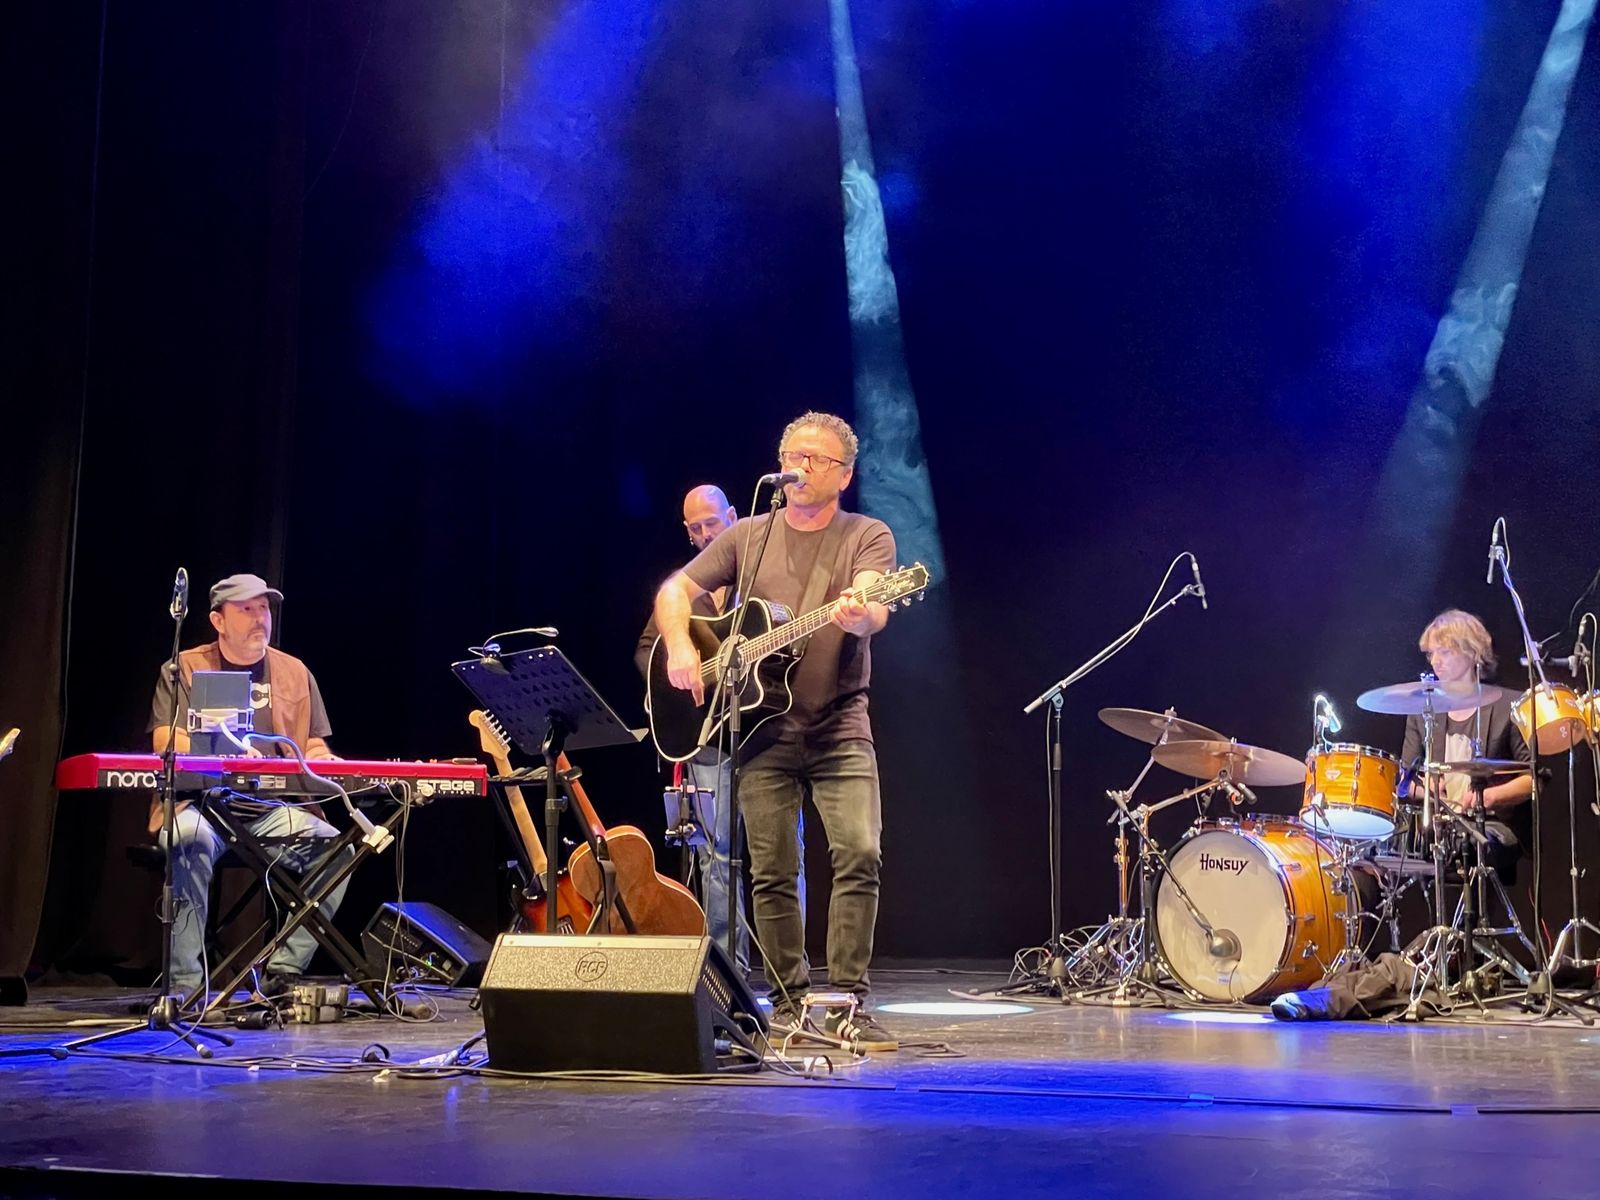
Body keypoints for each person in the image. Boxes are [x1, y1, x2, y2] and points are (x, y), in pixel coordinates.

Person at [653, 412, 899, 1049]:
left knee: (859, 852)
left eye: (815, 458)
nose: (799, 467)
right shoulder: (751, 536)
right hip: (762, 730)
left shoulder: (865, 534)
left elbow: (875, 602)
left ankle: (846, 997)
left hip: (841, 724)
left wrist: (860, 612)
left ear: (843, 473)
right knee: (771, 870)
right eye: (792, 455)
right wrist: (681, 645)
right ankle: (788, 1001)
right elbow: (675, 589)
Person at [147, 573, 349, 999]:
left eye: (264, 609)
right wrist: (226, 751)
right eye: (247, 609)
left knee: (340, 850)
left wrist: (326, 762)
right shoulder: (183, 667)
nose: (261, 618)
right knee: (188, 840)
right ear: (218, 621)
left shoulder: (294, 671)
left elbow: (312, 744)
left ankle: (282, 971)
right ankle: (184, 986)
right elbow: (166, 741)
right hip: (198, 805)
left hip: (269, 811)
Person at [635, 485, 805, 978]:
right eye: (695, 528)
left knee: (779, 857)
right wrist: (687, 671)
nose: (706, 533)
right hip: (708, 735)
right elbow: (647, 652)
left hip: (768, 729)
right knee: (716, 855)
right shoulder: (685, 589)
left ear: (733, 516)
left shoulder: (765, 574)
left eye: (712, 522)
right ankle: (727, 978)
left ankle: (785, 979)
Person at [1399, 609, 1533, 884]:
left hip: (1492, 825)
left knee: (1466, 844)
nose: (1435, 661)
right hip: (1440, 826)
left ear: (1472, 652)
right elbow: (1404, 781)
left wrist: (1490, 797)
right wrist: (1426, 790)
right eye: (1431, 654)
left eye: (1445, 652)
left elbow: (1533, 780)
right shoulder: (1422, 712)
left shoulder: (1509, 706)